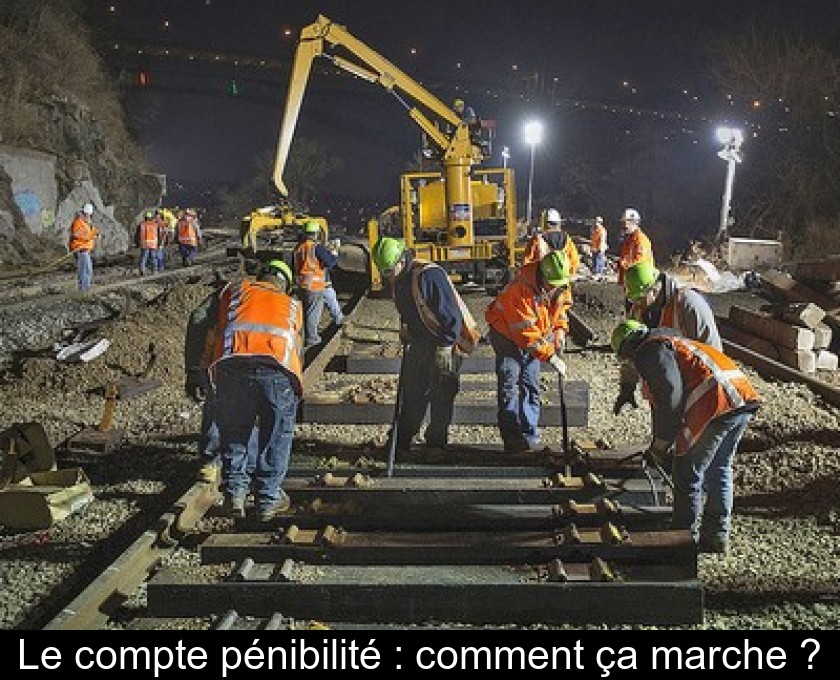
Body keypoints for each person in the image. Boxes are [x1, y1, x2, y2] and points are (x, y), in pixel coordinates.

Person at [610, 320, 760, 554]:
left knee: (687, 471)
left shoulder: (651, 352)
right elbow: (663, 398)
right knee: (719, 468)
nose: (630, 364)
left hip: (715, 403)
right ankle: (716, 535)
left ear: (630, 349)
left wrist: (660, 446)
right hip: (740, 398)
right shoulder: (669, 341)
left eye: (627, 358)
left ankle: (681, 537)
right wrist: (627, 390)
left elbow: (670, 400)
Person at [185, 259, 303, 522]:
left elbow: (198, 318)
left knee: (235, 430)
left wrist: (195, 369)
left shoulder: (234, 291)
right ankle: (267, 500)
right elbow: (297, 350)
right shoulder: (293, 305)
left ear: (260, 276)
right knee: (276, 434)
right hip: (277, 373)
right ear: (286, 285)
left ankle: (235, 494)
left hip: (232, 367)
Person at [370, 236, 479, 454]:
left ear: (401, 261)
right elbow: (410, 311)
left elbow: (452, 316)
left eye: (388, 270)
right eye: (383, 272)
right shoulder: (399, 279)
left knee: (441, 394)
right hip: (421, 341)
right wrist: (407, 333)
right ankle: (401, 441)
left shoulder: (429, 275)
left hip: (445, 341)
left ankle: (436, 444)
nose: (386, 276)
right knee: (412, 392)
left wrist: (445, 346)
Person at [485, 250, 572, 453]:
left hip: (534, 336)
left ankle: (530, 434)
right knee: (509, 382)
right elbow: (525, 334)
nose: (554, 289)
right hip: (506, 335)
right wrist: (550, 356)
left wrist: (559, 332)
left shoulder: (559, 283)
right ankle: (512, 438)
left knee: (531, 383)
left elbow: (561, 311)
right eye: (551, 284)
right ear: (542, 276)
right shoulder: (519, 290)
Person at [614, 260, 722, 415]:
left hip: (696, 385)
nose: (637, 304)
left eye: (639, 298)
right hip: (663, 386)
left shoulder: (688, 304)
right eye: (634, 300)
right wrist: (627, 387)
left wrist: (710, 393)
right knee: (666, 432)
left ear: (654, 289)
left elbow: (713, 351)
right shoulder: (638, 311)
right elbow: (633, 350)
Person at [293, 220, 340, 348]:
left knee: (305, 311)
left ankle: (302, 336)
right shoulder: (316, 247)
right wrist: (335, 253)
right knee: (313, 313)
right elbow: (330, 262)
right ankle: (312, 339)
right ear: (316, 234)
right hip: (315, 285)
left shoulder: (299, 247)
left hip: (302, 284)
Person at [522, 208, 581, 277]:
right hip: (561, 280)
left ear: (545, 223)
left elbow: (526, 262)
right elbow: (575, 262)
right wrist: (566, 276)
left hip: (541, 281)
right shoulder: (567, 239)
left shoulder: (537, 239)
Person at [616, 207, 654, 287]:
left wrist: (624, 264)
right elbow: (626, 257)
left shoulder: (640, 239)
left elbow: (640, 260)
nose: (623, 226)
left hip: (640, 281)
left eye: (625, 223)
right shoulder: (629, 240)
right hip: (631, 281)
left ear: (632, 222)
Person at [68, 202, 99, 292]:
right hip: (81, 249)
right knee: (85, 270)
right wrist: (91, 236)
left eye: (89, 215)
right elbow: (77, 235)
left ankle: (85, 288)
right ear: (84, 213)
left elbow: (91, 231)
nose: (89, 216)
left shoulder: (86, 222)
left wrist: (96, 233)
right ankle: (83, 289)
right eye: (87, 214)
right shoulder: (78, 222)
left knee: (87, 270)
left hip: (85, 249)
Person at [136, 210, 161, 276]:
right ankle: (154, 270)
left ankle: (142, 270)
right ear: (151, 217)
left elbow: (137, 235)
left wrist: (137, 243)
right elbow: (158, 235)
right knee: (153, 257)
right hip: (153, 244)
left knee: (143, 257)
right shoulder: (155, 224)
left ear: (145, 217)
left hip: (144, 244)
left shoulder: (141, 224)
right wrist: (159, 243)